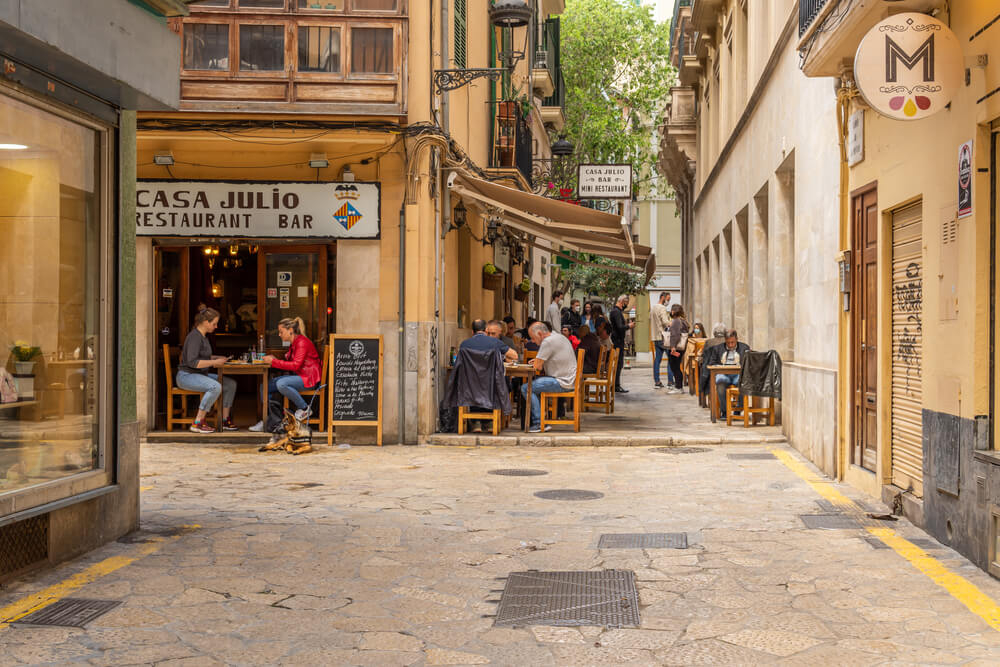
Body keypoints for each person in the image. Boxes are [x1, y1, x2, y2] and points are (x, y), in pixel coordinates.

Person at [250, 316, 323, 433]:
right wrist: (274, 359)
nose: (279, 334)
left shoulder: (302, 342)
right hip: (299, 376)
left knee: (281, 384)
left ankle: (305, 408)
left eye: (281, 332)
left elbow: (295, 365)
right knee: (264, 387)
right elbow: (291, 362)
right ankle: (269, 419)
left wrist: (273, 362)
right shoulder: (294, 343)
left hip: (308, 379)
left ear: (290, 330)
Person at [175, 307, 236, 434]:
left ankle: (225, 420)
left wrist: (218, 358)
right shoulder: (194, 337)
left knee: (230, 384)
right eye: (214, 323)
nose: (216, 326)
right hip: (187, 376)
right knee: (215, 387)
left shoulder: (203, 337)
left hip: (199, 374)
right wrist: (214, 362)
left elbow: (204, 357)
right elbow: (193, 362)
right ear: (206, 322)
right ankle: (198, 422)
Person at [460, 319, 518, 431]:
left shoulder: (464, 344)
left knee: (476, 387)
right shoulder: (495, 343)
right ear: (486, 330)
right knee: (496, 385)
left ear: (472, 332)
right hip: (490, 384)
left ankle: (476, 423)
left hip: (469, 385)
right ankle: (489, 422)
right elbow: (514, 355)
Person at [521, 322, 578, 433]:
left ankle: (538, 423)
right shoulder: (558, 336)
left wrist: (537, 362)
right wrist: (539, 361)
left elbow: (537, 367)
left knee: (526, 388)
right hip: (569, 379)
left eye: (533, 338)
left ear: (539, 333)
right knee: (533, 387)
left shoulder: (547, 342)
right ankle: (539, 419)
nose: (532, 341)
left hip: (562, 381)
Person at [704, 329, 751, 418]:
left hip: (738, 374)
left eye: (732, 342)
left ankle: (739, 408)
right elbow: (711, 363)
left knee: (743, 383)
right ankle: (724, 410)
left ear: (737, 339)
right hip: (723, 373)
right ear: (725, 340)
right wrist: (719, 366)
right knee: (720, 382)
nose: (730, 345)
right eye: (728, 342)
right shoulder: (718, 348)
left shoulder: (744, 348)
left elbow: (749, 363)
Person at [609, 294, 634, 393]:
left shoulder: (617, 311)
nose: (626, 305)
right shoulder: (616, 312)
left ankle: (616, 385)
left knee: (619, 363)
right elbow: (620, 327)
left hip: (619, 340)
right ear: (622, 301)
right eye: (626, 303)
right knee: (618, 364)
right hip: (616, 342)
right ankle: (616, 385)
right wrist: (629, 326)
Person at [650, 291, 673, 389]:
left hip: (655, 337)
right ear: (663, 297)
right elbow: (665, 322)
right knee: (671, 359)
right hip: (664, 337)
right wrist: (672, 323)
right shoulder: (662, 308)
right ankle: (670, 381)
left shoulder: (653, 307)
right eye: (668, 299)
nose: (668, 301)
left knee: (657, 360)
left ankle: (657, 381)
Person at [666, 304, 690, 394]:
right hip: (681, 347)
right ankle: (678, 386)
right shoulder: (683, 321)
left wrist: (673, 347)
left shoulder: (676, 321)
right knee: (676, 366)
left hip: (676, 347)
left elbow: (675, 335)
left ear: (674, 311)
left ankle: (678, 387)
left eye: (671, 310)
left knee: (674, 366)